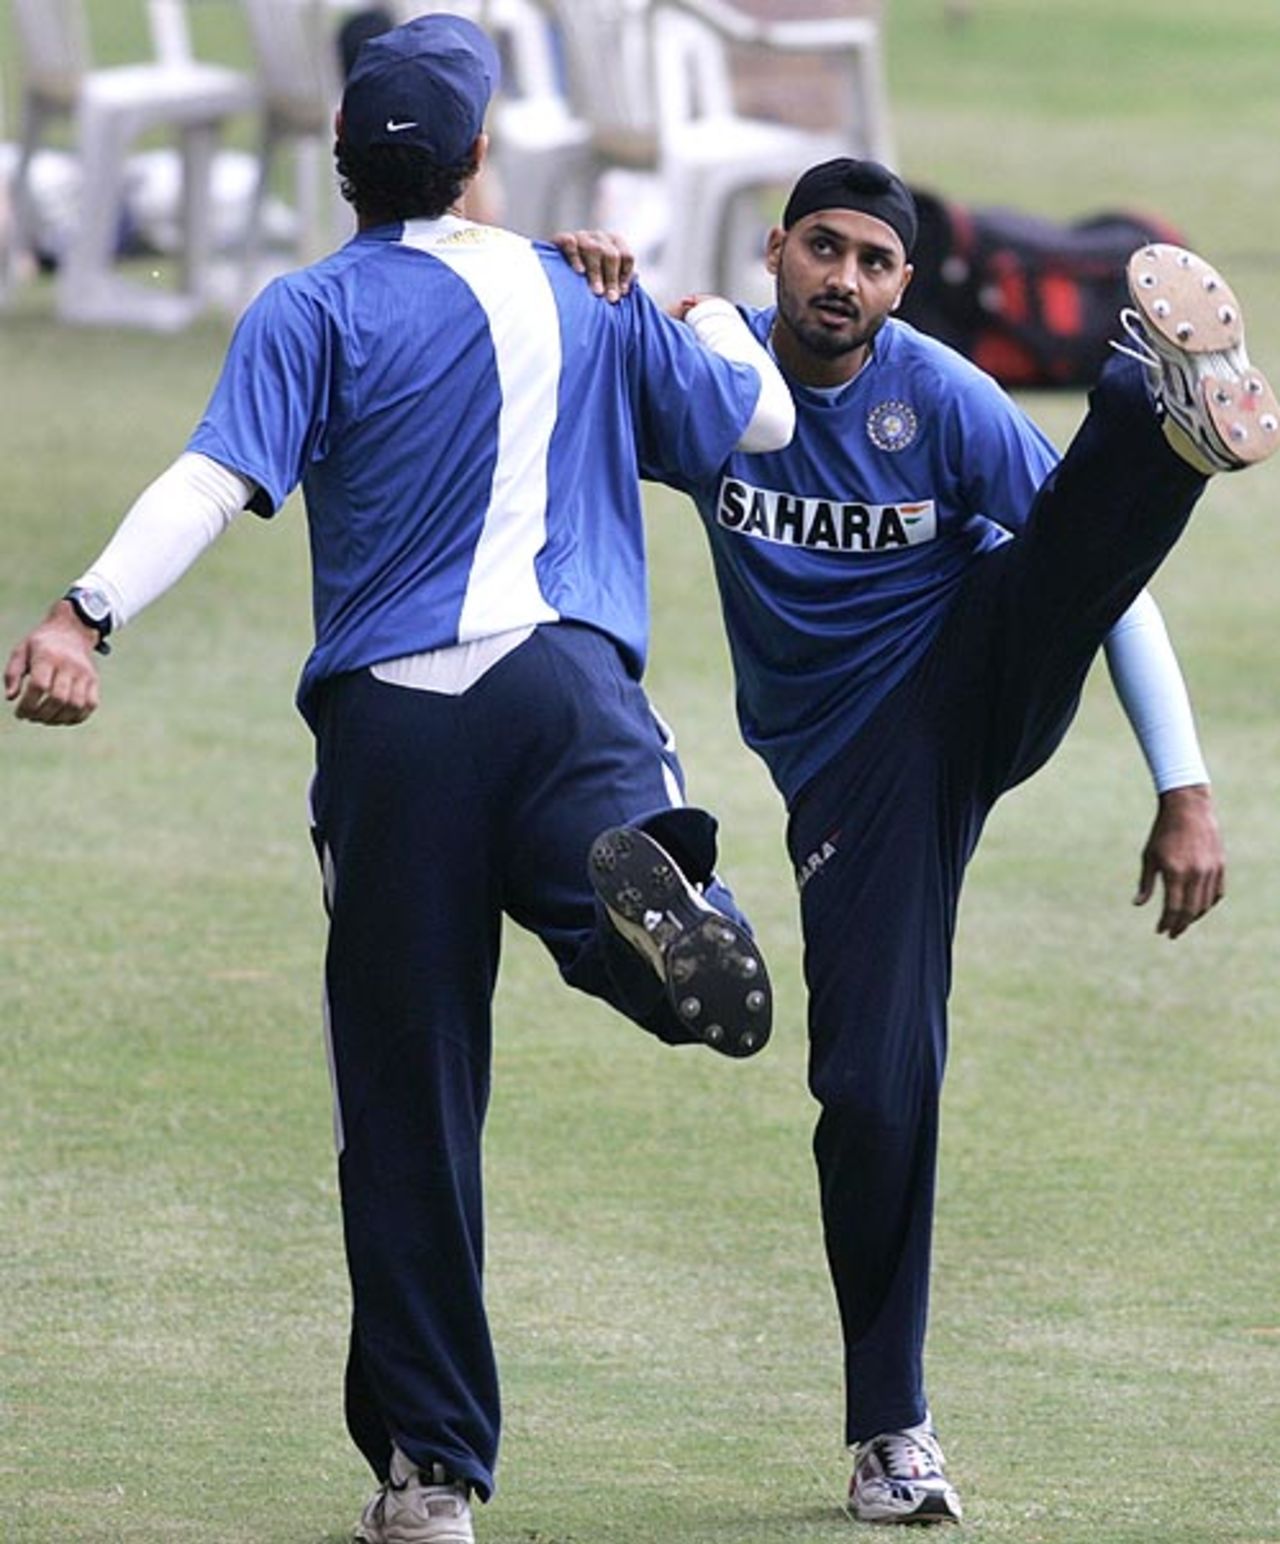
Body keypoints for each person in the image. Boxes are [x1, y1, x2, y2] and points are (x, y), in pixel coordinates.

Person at [3, 16, 797, 1544]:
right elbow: (754, 420)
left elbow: (209, 482)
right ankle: (666, 924)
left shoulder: (307, 307)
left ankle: (431, 1480)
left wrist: (81, 614)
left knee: (409, 1096)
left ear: (342, 168)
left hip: (392, 733)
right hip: (568, 692)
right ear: (483, 160)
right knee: (608, 894)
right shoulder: (582, 286)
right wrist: (698, 308)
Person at [564, 157, 1278, 1524]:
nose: (845, 280)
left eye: (875, 262)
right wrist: (577, 266)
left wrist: (1184, 788)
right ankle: (889, 1433)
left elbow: (1107, 594)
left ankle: (1152, 406)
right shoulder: (714, 387)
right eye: (822, 250)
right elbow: (571, 356)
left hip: (972, 677)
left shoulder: (938, 394)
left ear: (902, 281)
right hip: (848, 780)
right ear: (775, 253)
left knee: (1061, 548)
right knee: (874, 1092)